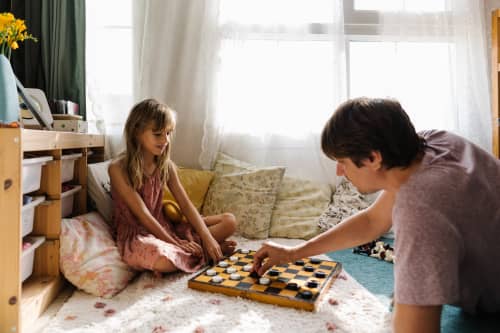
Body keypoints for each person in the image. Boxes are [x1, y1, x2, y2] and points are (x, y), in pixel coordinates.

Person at [252, 97, 500, 332]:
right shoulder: (433, 141)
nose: (339, 171)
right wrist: (293, 253)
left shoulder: (421, 210)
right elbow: (373, 221)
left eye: (343, 162)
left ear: (373, 158)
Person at [109, 98, 237, 275]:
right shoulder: (117, 168)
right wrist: (176, 243)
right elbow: (144, 216)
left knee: (229, 221)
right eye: (158, 134)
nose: (165, 140)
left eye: (168, 133)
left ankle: (204, 249)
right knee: (163, 261)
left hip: (165, 226)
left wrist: (208, 238)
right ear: (137, 132)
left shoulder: (165, 166)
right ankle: (204, 254)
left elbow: (185, 205)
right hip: (139, 234)